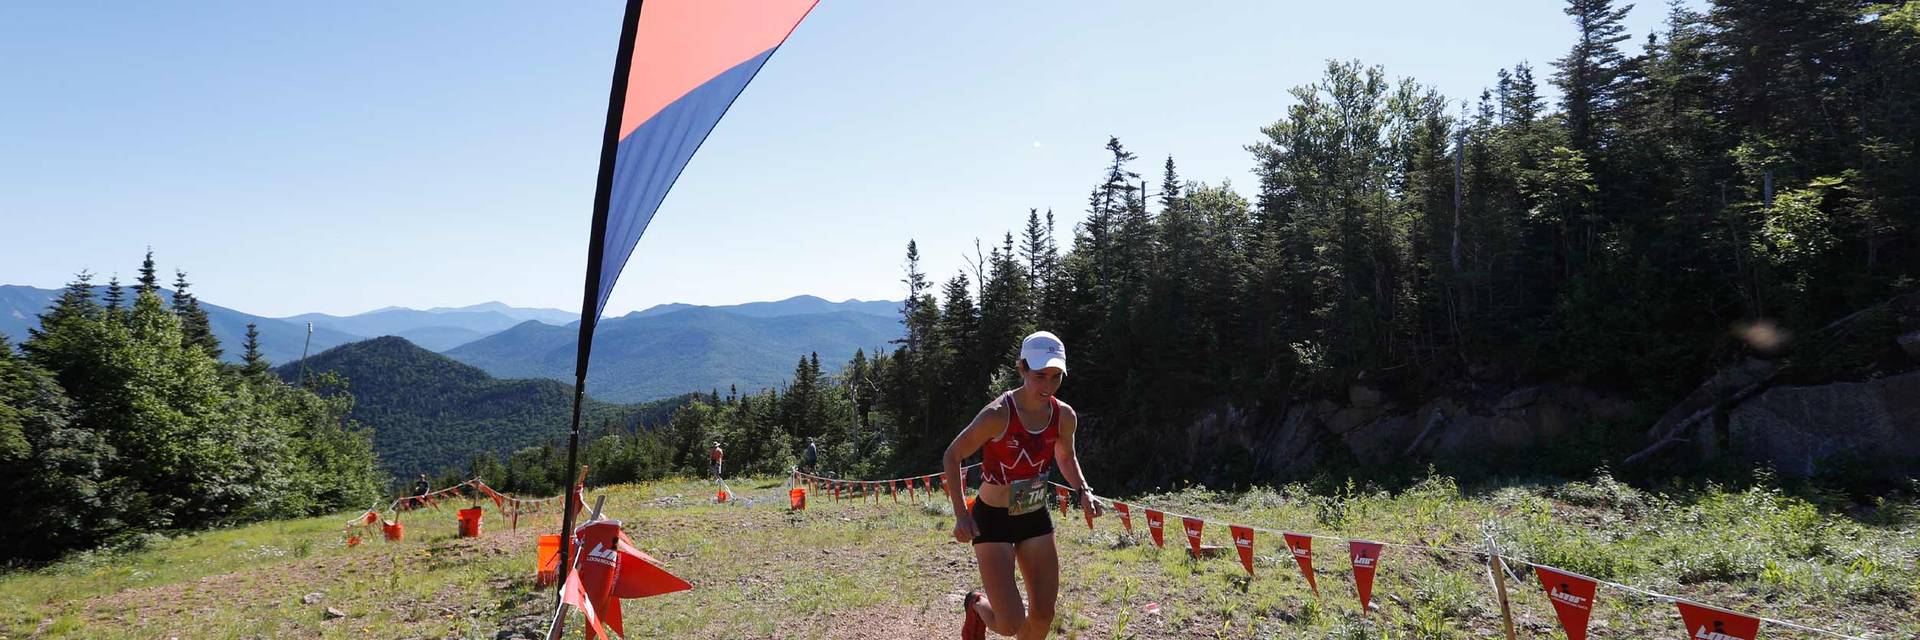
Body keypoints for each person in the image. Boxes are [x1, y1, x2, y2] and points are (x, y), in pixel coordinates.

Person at [943, 331, 1098, 640]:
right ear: (1022, 369)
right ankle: (976, 605)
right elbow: (952, 455)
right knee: (1011, 624)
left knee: (1043, 615)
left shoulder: (1064, 416)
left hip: (1034, 515)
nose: (1048, 386)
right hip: (993, 520)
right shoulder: (997, 414)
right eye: (1040, 375)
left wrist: (1083, 490)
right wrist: (962, 515)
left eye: (1056, 377)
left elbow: (1066, 458)